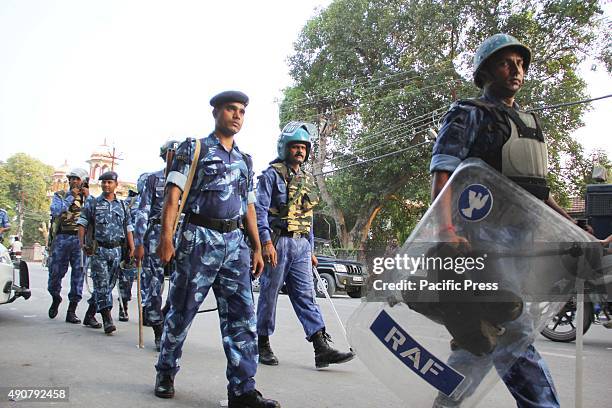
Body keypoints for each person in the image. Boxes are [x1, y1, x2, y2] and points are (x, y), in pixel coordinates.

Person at [428, 33, 584, 407]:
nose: (516, 70)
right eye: (505, 62)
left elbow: (538, 193)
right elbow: (443, 172)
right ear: (485, 72)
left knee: (481, 341)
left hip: (522, 248)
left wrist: (576, 229)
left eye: (520, 63)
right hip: (484, 243)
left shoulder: (528, 123)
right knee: (515, 333)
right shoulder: (469, 113)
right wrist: (446, 229)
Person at [154, 91, 280, 408]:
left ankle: (242, 391)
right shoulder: (193, 148)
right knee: (181, 313)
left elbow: (249, 206)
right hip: (198, 239)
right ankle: (166, 370)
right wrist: (166, 238)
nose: (237, 115)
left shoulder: (244, 160)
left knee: (242, 319)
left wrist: (256, 245)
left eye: (241, 111)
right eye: (230, 109)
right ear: (216, 112)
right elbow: (173, 194)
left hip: (235, 244)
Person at [255, 121, 354, 369]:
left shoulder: (306, 180)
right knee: (269, 295)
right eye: (295, 147)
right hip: (278, 244)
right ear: (285, 148)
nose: (299, 151)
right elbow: (259, 212)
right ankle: (262, 343)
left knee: (306, 296)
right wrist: (265, 242)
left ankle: (321, 347)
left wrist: (310, 250)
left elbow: (306, 217)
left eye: (303, 147)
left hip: (300, 246)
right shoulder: (271, 175)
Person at [77, 171, 135, 334]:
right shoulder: (93, 203)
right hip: (98, 250)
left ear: (116, 184)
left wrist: (132, 247)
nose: (106, 185)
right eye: (104, 182)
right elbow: (82, 224)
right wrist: (82, 245)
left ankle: (89, 315)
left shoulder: (123, 205)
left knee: (107, 286)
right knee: (101, 284)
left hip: (116, 250)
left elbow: (128, 227)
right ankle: (107, 319)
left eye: (109, 182)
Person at [134, 141, 178, 351]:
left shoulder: (190, 180)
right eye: (172, 154)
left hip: (183, 236)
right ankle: (158, 328)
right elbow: (142, 211)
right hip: (156, 235)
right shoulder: (153, 179)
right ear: (165, 156)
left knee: (182, 284)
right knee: (152, 285)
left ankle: (168, 316)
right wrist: (139, 242)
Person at [47, 168, 89, 324]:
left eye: (77, 179)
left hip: (80, 241)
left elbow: (96, 216)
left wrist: (87, 197)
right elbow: (57, 211)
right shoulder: (60, 195)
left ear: (83, 181)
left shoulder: (88, 199)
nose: (73, 182)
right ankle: (55, 297)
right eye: (71, 179)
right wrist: (71, 196)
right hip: (62, 238)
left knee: (78, 275)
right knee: (55, 273)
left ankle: (72, 310)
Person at [116, 188, 142, 322]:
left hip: (130, 245)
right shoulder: (134, 204)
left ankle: (123, 307)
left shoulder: (127, 203)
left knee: (125, 279)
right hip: (130, 245)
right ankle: (122, 307)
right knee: (126, 278)